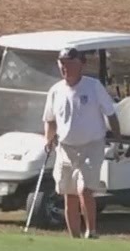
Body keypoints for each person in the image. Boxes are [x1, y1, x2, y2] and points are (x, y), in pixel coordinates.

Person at [42, 46, 120, 239]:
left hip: (91, 145)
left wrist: (117, 139)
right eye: (62, 64)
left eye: (70, 64)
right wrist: (48, 139)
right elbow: (50, 119)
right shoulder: (55, 91)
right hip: (66, 147)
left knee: (84, 189)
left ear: (82, 65)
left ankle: (90, 231)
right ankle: (74, 237)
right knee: (69, 194)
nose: (65, 68)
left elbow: (110, 113)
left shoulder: (93, 87)